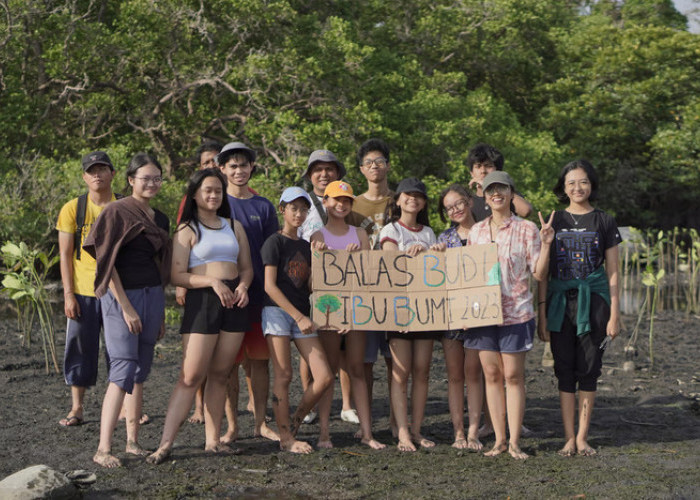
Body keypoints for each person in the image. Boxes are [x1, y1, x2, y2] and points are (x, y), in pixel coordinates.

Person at [146, 168, 253, 464]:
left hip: (234, 301)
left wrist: (243, 285)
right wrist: (212, 282)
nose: (213, 195)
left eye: (218, 190)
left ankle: (212, 441)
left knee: (220, 374)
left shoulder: (234, 225)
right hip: (203, 300)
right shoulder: (187, 229)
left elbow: (246, 267)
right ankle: (165, 445)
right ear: (194, 194)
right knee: (190, 376)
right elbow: (177, 275)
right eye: (207, 190)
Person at [83, 153, 171, 468]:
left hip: (152, 295)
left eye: (156, 178)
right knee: (122, 368)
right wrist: (126, 307)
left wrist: (159, 312)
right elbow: (106, 263)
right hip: (122, 298)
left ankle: (132, 441)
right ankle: (103, 448)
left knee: (140, 370)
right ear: (130, 180)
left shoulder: (160, 218)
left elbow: (161, 265)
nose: (151, 183)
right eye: (144, 178)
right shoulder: (115, 212)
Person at [537, 159, 621, 457]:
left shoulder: (605, 221)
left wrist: (615, 313)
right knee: (564, 370)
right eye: (571, 183)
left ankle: (583, 437)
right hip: (560, 303)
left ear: (592, 185)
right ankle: (568, 437)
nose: (577, 188)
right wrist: (542, 312)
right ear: (563, 187)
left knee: (588, 369)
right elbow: (543, 273)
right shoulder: (553, 219)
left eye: (583, 182)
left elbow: (612, 271)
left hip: (594, 302)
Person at [463, 171, 548, 460]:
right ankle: (499, 440)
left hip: (517, 312)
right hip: (482, 313)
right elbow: (467, 274)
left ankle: (514, 442)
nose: (495, 194)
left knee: (513, 376)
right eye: (490, 190)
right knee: (491, 374)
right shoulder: (476, 231)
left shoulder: (527, 229)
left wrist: (547, 244)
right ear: (484, 197)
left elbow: (538, 272)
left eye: (501, 189)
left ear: (511, 193)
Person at [310, 181, 385, 450]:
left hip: (356, 314)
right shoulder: (317, 237)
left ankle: (367, 433)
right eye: (336, 200)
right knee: (328, 373)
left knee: (357, 371)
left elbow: (367, 278)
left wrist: (355, 259)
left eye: (346, 200)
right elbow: (314, 283)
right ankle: (324, 434)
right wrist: (322, 256)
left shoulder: (360, 235)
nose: (341, 205)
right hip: (328, 314)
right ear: (326, 202)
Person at [262, 187, 334, 453]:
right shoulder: (274, 242)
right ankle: (286, 438)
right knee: (284, 374)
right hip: (277, 312)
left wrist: (319, 258)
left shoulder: (306, 245)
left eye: (304, 209)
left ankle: (294, 421)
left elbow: (311, 286)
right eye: (294, 208)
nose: (299, 214)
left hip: (303, 312)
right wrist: (298, 315)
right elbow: (270, 286)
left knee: (325, 376)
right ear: (283, 209)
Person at [218, 142, 279, 444]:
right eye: (233, 166)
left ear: (252, 168)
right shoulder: (216, 205)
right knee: (228, 363)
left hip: (260, 294)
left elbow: (273, 252)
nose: (239, 170)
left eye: (244, 165)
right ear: (222, 170)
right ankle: (232, 426)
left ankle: (260, 423)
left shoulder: (264, 206)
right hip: (226, 295)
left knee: (260, 361)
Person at [379, 178, 446, 452]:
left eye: (419, 196)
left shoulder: (430, 232)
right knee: (400, 372)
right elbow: (390, 263)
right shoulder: (390, 229)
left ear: (424, 202)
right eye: (408, 195)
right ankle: (402, 432)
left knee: (422, 372)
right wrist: (410, 253)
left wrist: (437, 251)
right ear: (398, 199)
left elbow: (437, 269)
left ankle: (416, 429)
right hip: (400, 310)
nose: (413, 199)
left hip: (427, 310)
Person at [298, 149, 363, 426]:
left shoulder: (353, 219)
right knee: (312, 351)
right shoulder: (301, 200)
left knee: (347, 354)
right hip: (312, 285)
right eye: (318, 169)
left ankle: (347, 404)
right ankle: (310, 402)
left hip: (348, 291)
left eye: (329, 169)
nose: (324, 174)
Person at [56, 151, 117, 427]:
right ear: (84, 176)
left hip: (117, 291)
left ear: (113, 174)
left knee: (120, 351)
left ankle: (126, 407)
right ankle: (77, 407)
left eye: (102, 169)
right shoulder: (73, 208)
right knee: (79, 349)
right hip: (83, 291)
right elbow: (65, 254)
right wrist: (68, 294)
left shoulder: (124, 206)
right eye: (91, 170)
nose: (97, 174)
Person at [175, 140, 223, 426]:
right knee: (194, 353)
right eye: (207, 161)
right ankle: (197, 406)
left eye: (216, 160)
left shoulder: (227, 197)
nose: (212, 165)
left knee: (226, 357)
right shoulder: (192, 200)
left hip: (229, 288)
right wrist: (182, 284)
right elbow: (183, 244)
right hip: (198, 285)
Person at [436, 183, 483, 450]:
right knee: (455, 375)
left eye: (458, 203)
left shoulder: (487, 232)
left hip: (481, 314)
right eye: (448, 208)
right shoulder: (444, 239)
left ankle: (474, 431)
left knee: (474, 373)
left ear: (469, 202)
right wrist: (432, 255)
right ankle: (458, 432)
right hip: (451, 315)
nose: (455, 210)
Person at [353, 138, 395, 434]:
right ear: (361, 169)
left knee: (396, 362)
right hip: (364, 290)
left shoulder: (401, 199)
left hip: (398, 291)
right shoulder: (352, 204)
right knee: (364, 362)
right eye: (369, 162)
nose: (374, 166)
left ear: (388, 166)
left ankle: (397, 420)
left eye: (379, 161)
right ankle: (366, 423)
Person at [466, 143, 532, 222]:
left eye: (488, 166)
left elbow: (526, 211)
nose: (483, 171)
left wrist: (491, 186)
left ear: (498, 171)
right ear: (471, 173)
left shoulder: (507, 194)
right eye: (478, 166)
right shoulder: (467, 202)